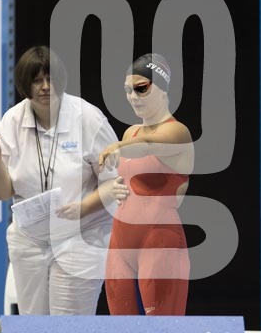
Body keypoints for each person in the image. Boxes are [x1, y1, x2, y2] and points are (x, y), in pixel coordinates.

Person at [0, 45, 119, 315]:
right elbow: (0, 192)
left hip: (80, 234)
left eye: (50, 79)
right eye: (37, 80)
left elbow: (115, 182)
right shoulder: (12, 120)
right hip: (30, 238)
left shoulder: (87, 118)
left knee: (68, 325)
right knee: (32, 324)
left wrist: (84, 207)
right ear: (25, 85)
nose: (45, 87)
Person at [60, 53, 194, 315]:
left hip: (160, 241)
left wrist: (117, 148)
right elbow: (126, 179)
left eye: (141, 88)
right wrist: (104, 194)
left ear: (163, 89)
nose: (133, 96)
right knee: (121, 327)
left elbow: (148, 146)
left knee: (163, 330)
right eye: (128, 90)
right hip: (120, 242)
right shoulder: (130, 132)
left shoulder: (177, 131)